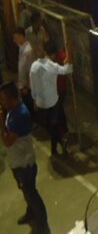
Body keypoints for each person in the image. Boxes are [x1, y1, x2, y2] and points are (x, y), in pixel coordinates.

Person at [0, 82, 50, 233]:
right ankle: (31, 212)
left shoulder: (19, 115)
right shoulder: (12, 111)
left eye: (3, 99)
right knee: (25, 191)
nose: (1, 102)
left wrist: (1, 124)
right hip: (17, 162)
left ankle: (43, 224)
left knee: (31, 193)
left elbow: (8, 141)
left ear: (11, 98)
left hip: (24, 164)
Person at [30, 41, 73, 155]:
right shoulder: (52, 66)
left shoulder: (35, 66)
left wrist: (34, 99)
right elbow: (68, 70)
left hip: (42, 102)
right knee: (53, 125)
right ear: (53, 54)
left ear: (45, 52)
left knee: (51, 126)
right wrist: (68, 60)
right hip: (52, 101)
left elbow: (33, 85)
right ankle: (61, 142)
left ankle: (55, 148)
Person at [13, 27, 35, 116]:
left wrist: (26, 86)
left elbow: (30, 70)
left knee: (29, 107)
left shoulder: (28, 51)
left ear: (21, 36)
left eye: (15, 38)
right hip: (22, 84)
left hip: (27, 87)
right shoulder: (21, 47)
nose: (14, 41)